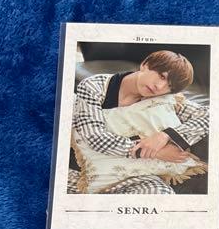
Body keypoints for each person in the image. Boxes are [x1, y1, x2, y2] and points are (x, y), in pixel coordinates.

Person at [69, 49, 209, 195]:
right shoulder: (94, 86)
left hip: (141, 176)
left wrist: (165, 135)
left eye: (169, 87)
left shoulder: (164, 100)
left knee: (161, 196)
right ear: (145, 64)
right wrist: (155, 152)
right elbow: (95, 137)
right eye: (162, 76)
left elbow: (209, 116)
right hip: (94, 173)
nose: (160, 87)